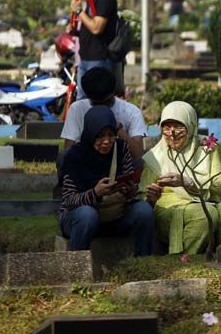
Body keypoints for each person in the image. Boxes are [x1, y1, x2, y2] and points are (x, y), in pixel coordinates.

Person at [140, 101, 221, 255]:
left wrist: (187, 182)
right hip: (171, 205)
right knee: (205, 215)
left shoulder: (206, 147)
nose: (172, 132)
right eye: (167, 127)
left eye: (178, 126)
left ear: (191, 125)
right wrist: (151, 197)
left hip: (208, 199)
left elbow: (219, 185)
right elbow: (142, 193)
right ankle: (184, 259)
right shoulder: (156, 156)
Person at [58, 106, 154, 254]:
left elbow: (131, 192)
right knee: (87, 214)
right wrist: (95, 193)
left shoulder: (121, 149)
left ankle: (143, 261)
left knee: (144, 210)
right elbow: (69, 200)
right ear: (90, 133)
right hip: (81, 220)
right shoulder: (75, 156)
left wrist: (128, 190)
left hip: (115, 216)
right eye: (100, 136)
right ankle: (76, 265)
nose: (106, 141)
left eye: (111, 135)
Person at [61, 67, 147, 159]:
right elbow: (68, 153)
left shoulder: (132, 112)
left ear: (113, 93)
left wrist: (120, 131)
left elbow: (138, 155)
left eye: (106, 103)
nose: (101, 108)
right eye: (95, 104)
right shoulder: (77, 109)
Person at [68, 0, 119, 100]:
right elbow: (89, 28)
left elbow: (97, 28)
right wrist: (75, 31)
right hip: (86, 59)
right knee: (82, 101)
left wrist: (79, 11)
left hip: (99, 59)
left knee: (97, 99)